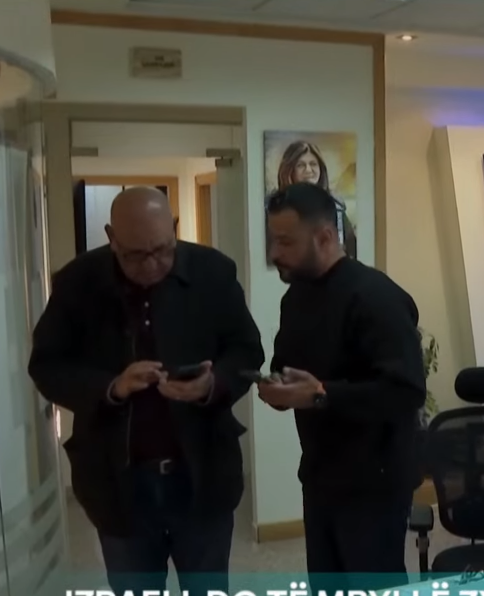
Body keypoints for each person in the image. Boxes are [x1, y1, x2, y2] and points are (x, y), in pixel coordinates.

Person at [28, 187, 264, 593]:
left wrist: (213, 384)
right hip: (118, 484)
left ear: (174, 229)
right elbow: (47, 366)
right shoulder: (78, 282)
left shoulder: (213, 271)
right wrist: (111, 387)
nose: (152, 264)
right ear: (111, 237)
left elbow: (246, 351)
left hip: (202, 474)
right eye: (136, 255)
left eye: (163, 250)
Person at [256, 182, 425, 587]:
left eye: (285, 242)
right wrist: (279, 390)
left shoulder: (376, 297)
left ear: (325, 237)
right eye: (273, 240)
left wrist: (321, 395)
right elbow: (289, 368)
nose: (275, 253)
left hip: (373, 484)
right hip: (320, 475)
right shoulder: (295, 298)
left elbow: (405, 390)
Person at [274, 140, 357, 258]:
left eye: (313, 164)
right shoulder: (276, 207)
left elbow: (351, 248)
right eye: (301, 165)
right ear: (289, 170)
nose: (308, 170)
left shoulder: (336, 207)